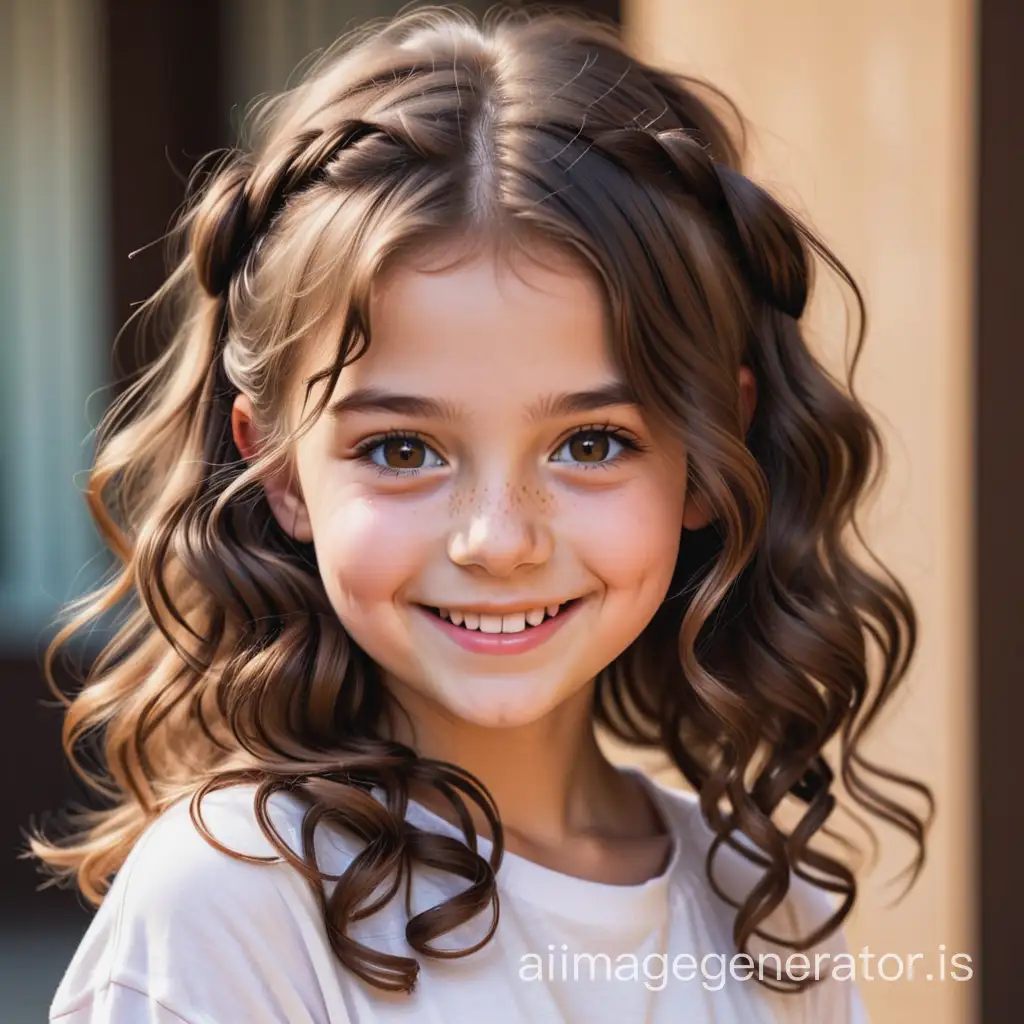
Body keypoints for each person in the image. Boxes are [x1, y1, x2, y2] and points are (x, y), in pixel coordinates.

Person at [35, 6, 931, 1022]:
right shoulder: (226, 908)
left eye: (591, 443)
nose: (499, 540)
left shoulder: (770, 911)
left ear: (711, 450)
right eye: (403, 450)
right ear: (279, 469)